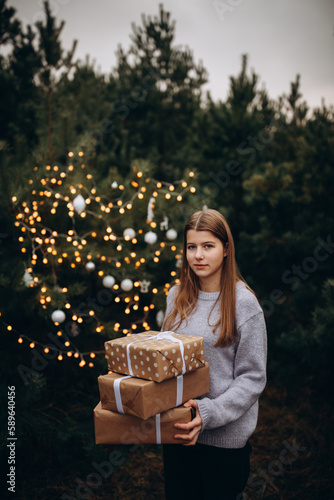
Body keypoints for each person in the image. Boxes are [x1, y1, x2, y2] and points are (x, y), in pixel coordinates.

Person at [162, 209, 267, 500]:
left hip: (223, 442)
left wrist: (208, 414)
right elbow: (165, 360)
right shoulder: (175, 296)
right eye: (191, 246)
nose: (198, 255)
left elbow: (252, 378)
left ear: (225, 250)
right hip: (179, 432)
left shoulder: (244, 304)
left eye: (208, 246)